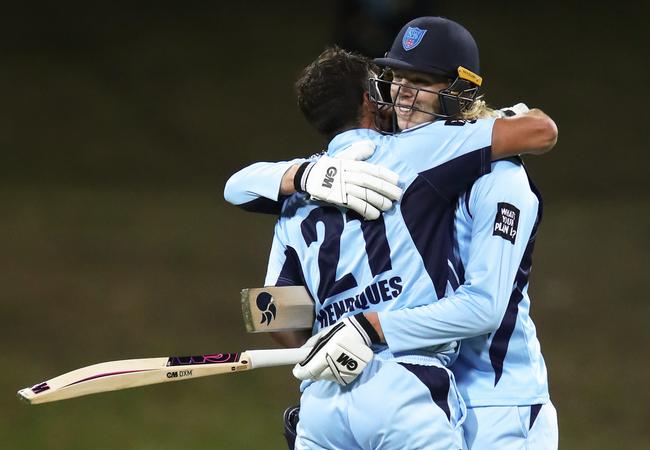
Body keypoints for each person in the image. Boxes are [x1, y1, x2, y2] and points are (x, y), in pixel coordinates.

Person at [226, 17, 559, 450]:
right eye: (397, 78)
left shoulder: (496, 174)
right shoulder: (382, 166)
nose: (402, 93)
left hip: (497, 398)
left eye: (420, 81)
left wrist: (360, 331)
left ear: (459, 93)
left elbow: (483, 308)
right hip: (419, 389)